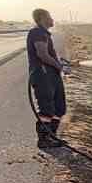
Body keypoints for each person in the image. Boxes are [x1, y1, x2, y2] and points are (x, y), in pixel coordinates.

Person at [27, 8, 66, 147]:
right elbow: (42, 54)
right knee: (46, 108)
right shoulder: (38, 32)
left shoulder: (45, 34)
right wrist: (58, 65)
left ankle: (52, 135)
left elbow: (49, 54)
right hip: (43, 76)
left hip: (51, 76)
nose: (52, 19)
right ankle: (44, 139)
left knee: (59, 108)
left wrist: (60, 63)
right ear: (43, 18)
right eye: (50, 16)